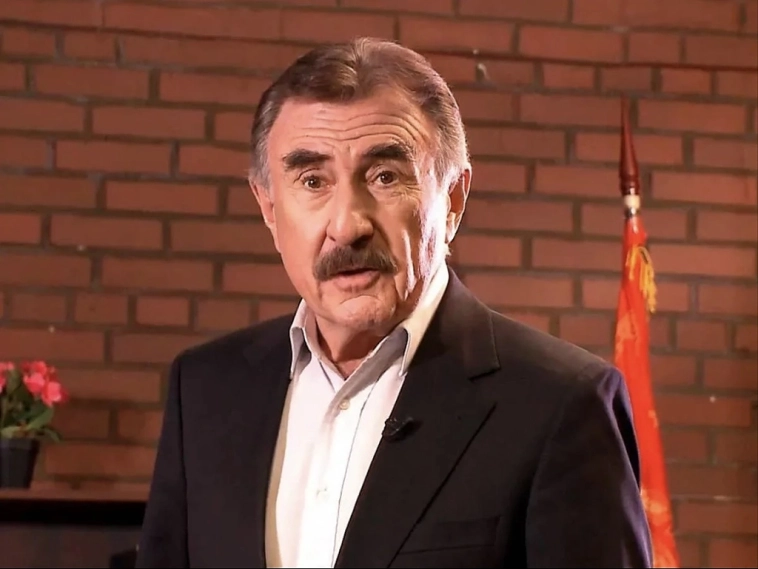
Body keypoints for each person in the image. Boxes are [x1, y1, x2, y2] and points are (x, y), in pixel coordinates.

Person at [135, 37, 653, 569]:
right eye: (312, 181)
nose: (347, 226)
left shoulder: (561, 402)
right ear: (268, 208)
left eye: (385, 177)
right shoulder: (205, 390)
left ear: (453, 200)